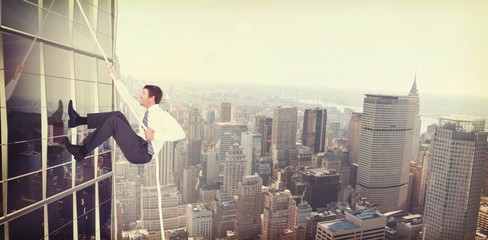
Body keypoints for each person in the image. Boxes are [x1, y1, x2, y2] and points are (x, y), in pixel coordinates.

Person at [63, 64, 185, 164]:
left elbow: (181, 134)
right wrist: (114, 77)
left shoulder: (162, 116)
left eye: (143, 94)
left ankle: (82, 150)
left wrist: (155, 135)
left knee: (114, 122)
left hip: (142, 153)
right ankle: (78, 120)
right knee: (117, 115)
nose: (140, 96)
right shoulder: (144, 111)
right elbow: (127, 97)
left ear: (152, 98)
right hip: (138, 143)